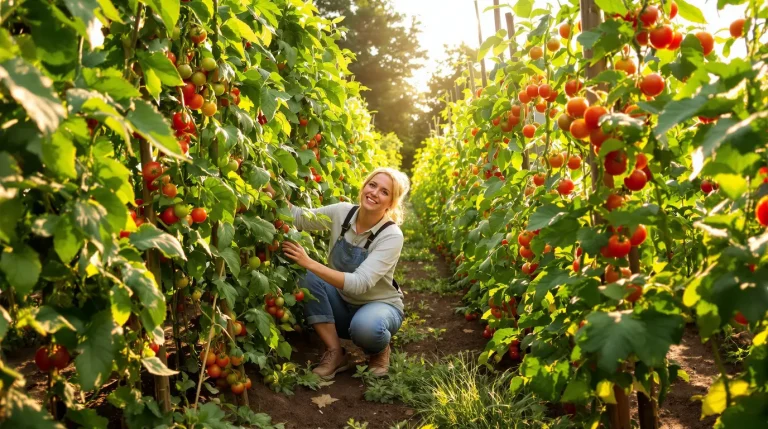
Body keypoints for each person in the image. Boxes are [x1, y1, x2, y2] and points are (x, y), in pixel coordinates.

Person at [265, 167, 410, 379]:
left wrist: (310, 262)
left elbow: (360, 283)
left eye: (384, 192)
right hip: (342, 303)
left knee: (366, 328)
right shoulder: (342, 212)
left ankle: (379, 349)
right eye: (372, 185)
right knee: (304, 275)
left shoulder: (392, 236)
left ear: (391, 203)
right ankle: (335, 352)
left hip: (379, 306)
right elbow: (297, 217)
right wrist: (266, 181)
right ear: (364, 186)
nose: (374, 193)